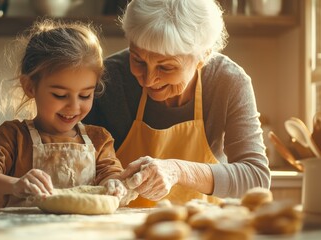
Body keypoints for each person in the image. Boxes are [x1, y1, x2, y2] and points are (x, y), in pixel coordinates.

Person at [84, 0, 271, 207]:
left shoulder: (227, 81)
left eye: (166, 67)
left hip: (198, 227)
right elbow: (78, 166)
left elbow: (256, 178)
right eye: (138, 60)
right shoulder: (109, 79)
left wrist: (177, 170)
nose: (148, 80)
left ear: (203, 56)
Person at [0, 20, 128, 207]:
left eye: (85, 95)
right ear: (30, 87)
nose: (74, 106)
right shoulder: (14, 136)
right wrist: (15, 184)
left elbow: (111, 174)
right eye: (60, 95)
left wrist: (114, 183)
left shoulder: (99, 139)